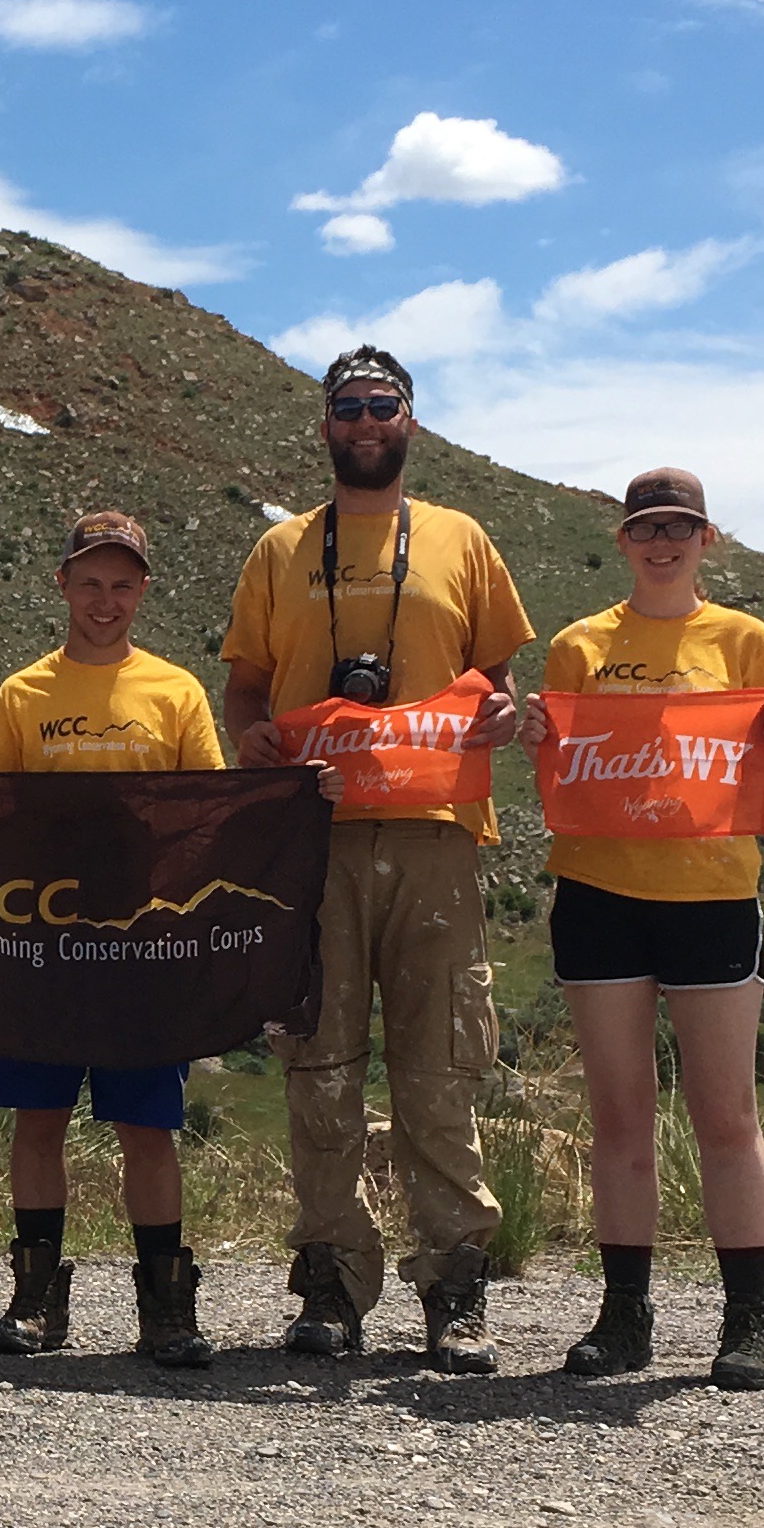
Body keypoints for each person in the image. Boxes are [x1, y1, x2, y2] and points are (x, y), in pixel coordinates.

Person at [220, 345, 534, 1371]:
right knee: (319, 1062)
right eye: (348, 406)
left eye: (382, 405)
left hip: (434, 831)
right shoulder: (280, 549)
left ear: (411, 421)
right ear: (325, 426)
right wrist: (251, 735)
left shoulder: (461, 539)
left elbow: (495, 679)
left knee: (439, 1062)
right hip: (312, 836)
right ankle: (331, 1279)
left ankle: (455, 1287)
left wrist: (499, 713)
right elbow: (246, 686)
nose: (365, 421)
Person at [0, 510, 228, 1369]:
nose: (106, 601)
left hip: (143, 951)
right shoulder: (24, 694)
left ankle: (166, 1308)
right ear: (62, 585)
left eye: (123, 585)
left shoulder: (175, 691)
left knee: (147, 1128)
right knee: (40, 1120)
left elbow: (209, 814)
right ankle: (35, 1300)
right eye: (91, 583)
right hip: (45, 947)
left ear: (144, 591)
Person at [538, 468, 764, 1392]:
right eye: (646, 528)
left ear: (705, 539)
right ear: (623, 540)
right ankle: (625, 1316)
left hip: (712, 892)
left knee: (726, 1113)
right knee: (620, 1113)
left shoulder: (743, 638)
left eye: (678, 528)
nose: (662, 543)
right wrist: (538, 739)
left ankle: (749, 1318)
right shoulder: (578, 645)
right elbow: (561, 767)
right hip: (599, 891)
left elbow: (760, 769)